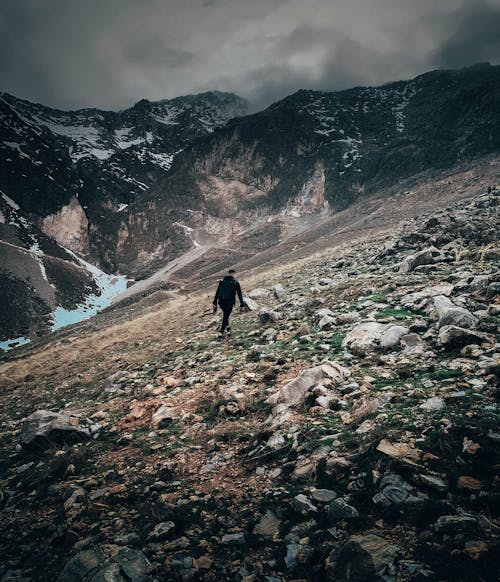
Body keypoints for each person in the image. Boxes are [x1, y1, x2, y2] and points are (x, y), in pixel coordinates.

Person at [213, 269, 245, 336]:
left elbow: (217, 292)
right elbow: (239, 294)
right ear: (234, 274)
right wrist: (242, 304)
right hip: (229, 301)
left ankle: (228, 329)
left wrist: (215, 302)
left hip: (221, 301)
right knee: (226, 315)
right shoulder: (235, 282)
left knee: (225, 314)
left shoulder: (222, 281)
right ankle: (221, 331)